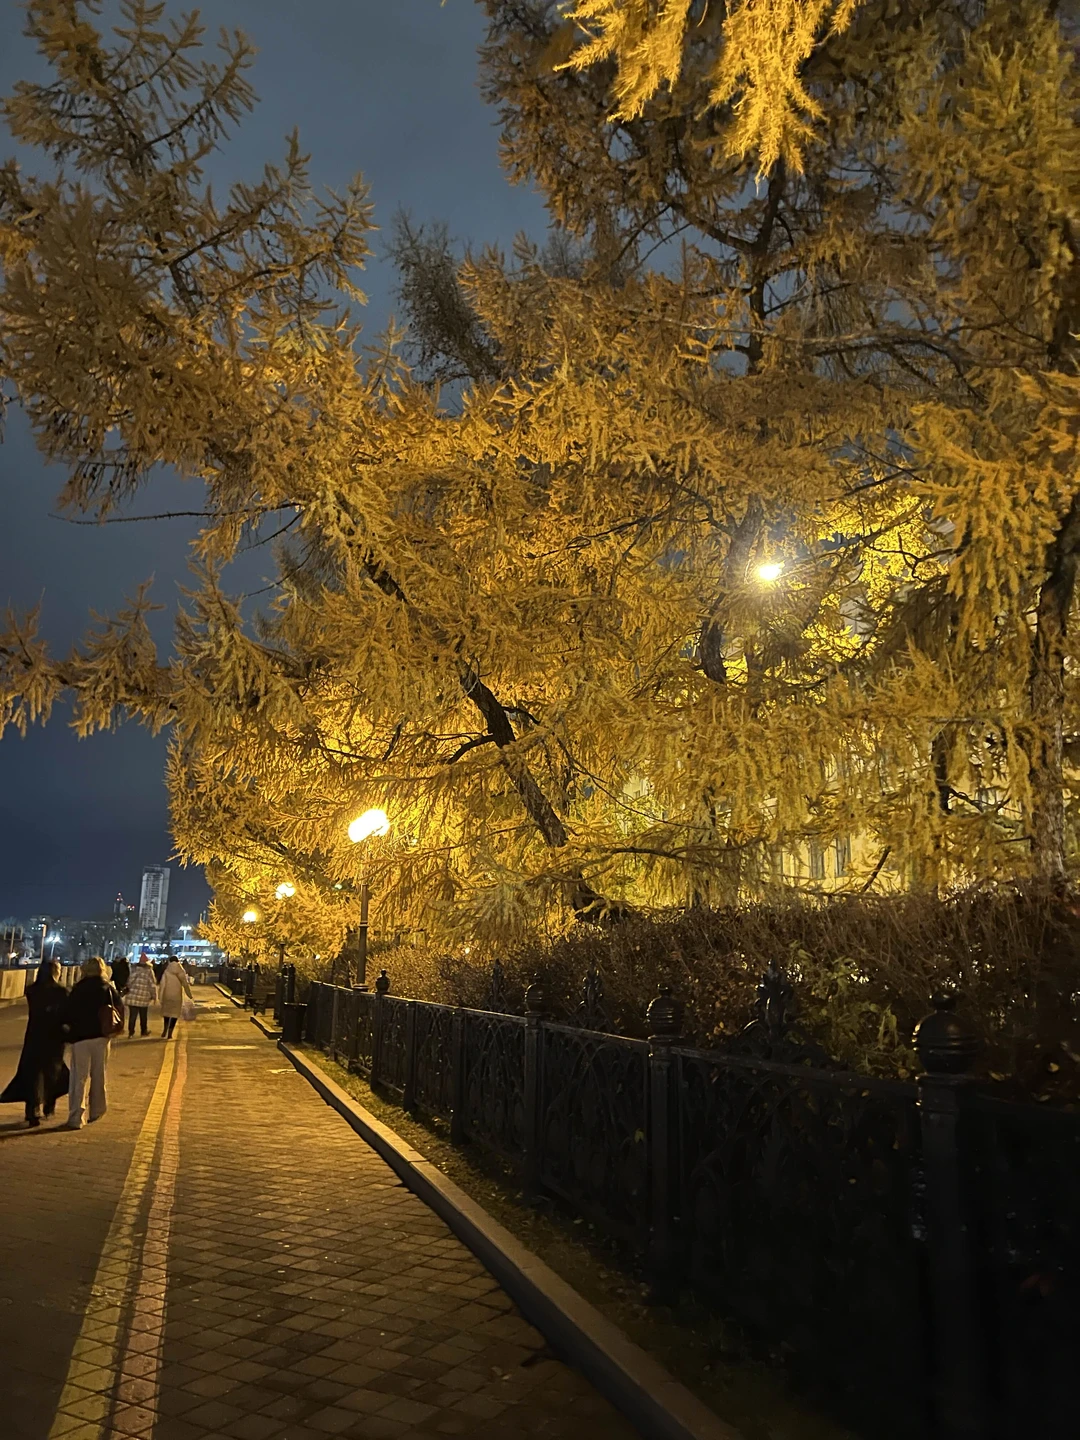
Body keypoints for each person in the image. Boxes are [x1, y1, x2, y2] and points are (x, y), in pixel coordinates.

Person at [0, 960, 70, 1127]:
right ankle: (48, 1104)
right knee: (53, 1072)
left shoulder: (32, 990)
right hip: (54, 1037)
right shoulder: (62, 992)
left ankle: (32, 1111)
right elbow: (65, 1014)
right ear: (55, 971)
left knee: (32, 1073)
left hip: (34, 1035)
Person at [63, 956, 123, 1129]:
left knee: (78, 1078)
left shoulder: (77, 989)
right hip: (101, 1037)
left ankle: (76, 1117)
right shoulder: (108, 989)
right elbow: (119, 1008)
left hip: (80, 1038)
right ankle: (97, 1109)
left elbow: (67, 1013)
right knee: (99, 1074)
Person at [157, 954, 193, 1039]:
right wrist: (189, 994)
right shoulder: (181, 971)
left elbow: (162, 984)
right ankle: (170, 1033)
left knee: (167, 1013)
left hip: (167, 994)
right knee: (174, 1014)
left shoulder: (167, 971)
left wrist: (160, 996)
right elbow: (185, 983)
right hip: (177, 995)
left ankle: (165, 1030)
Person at [125, 953, 157, 1037]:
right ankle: (143, 1031)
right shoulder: (149, 971)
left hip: (133, 996)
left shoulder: (134, 969)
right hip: (144, 996)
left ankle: (131, 1032)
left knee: (132, 1016)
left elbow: (129, 982)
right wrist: (154, 996)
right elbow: (152, 984)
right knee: (143, 1015)